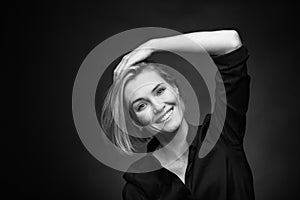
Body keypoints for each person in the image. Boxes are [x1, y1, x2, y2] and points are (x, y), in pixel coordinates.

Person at [100, 30, 255, 200]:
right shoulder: (139, 187)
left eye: (160, 91)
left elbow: (231, 42)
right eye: (142, 105)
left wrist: (152, 45)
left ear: (176, 89)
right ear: (135, 122)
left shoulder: (222, 133)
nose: (158, 107)